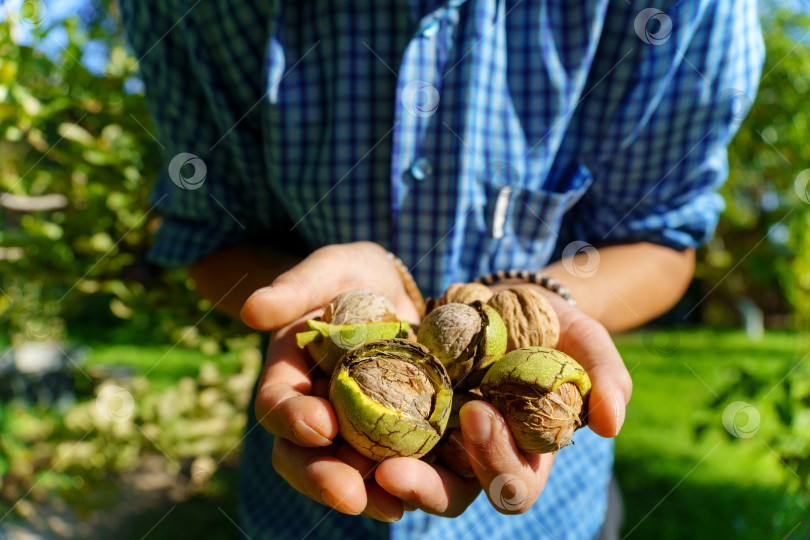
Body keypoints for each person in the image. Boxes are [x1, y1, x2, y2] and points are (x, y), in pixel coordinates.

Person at [120, 1, 763, 538]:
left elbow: (660, 240)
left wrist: (547, 293)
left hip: (554, 517)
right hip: (303, 511)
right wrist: (295, 295)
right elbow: (208, 233)